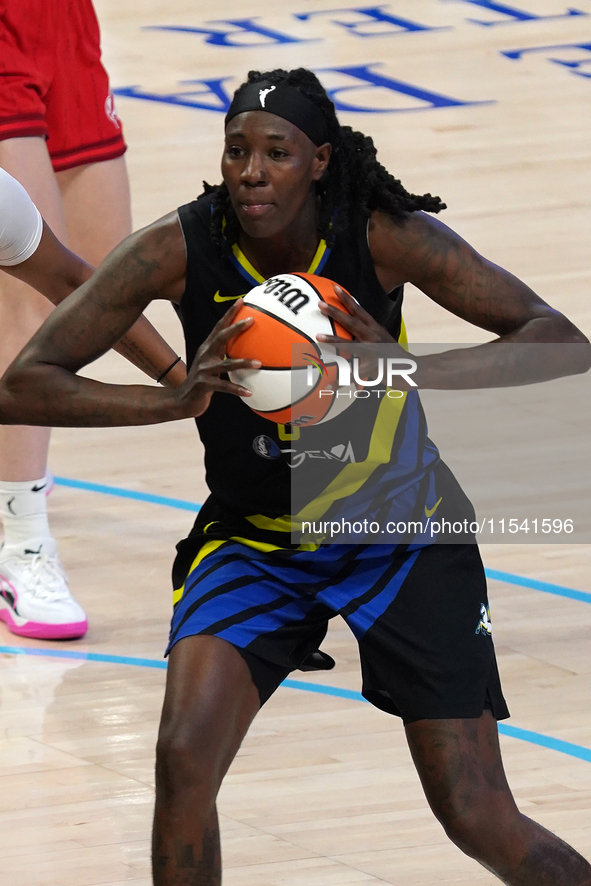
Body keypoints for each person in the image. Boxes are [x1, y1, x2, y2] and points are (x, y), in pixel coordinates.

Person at [0, 67, 590, 886]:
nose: (250, 171)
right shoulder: (182, 245)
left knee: (473, 811)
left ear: (319, 161)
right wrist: (173, 400)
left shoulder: (380, 235)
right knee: (180, 761)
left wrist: (400, 369)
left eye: (275, 153)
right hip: (255, 542)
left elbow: (557, 340)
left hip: (399, 535)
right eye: (236, 150)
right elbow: (21, 383)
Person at [0, 0, 186, 639]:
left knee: (109, 278)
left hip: (58, 20)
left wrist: (178, 376)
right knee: (24, 293)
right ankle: (20, 543)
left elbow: (91, 285)